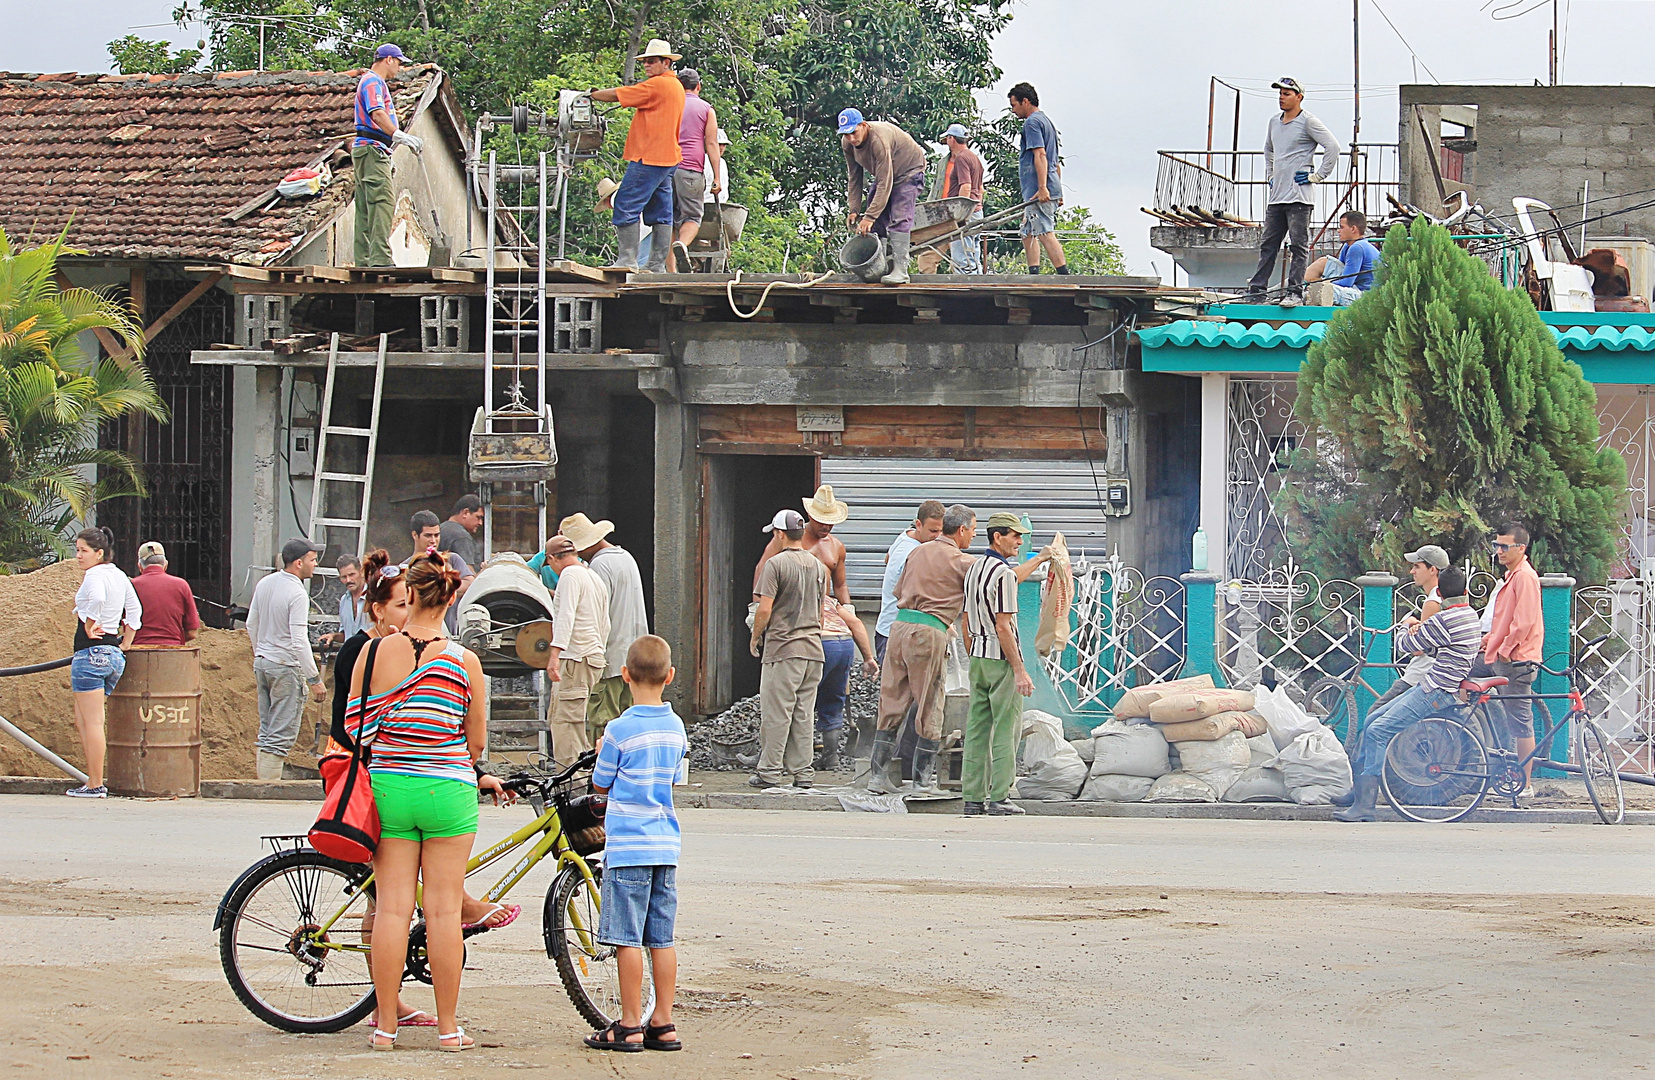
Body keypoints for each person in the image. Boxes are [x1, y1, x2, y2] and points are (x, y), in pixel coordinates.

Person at [328, 550, 518, 1032]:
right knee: (443, 911)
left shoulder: (372, 653)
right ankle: (450, 1028)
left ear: (408, 594)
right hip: (449, 791)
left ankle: (386, 1026)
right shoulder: (465, 661)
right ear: (451, 597)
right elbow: (476, 741)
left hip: (390, 788)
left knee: (392, 909)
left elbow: (354, 728)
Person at [582, 634, 687, 1053]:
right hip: (666, 847)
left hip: (627, 848)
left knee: (626, 938)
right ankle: (663, 1020)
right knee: (661, 938)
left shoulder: (618, 729)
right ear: (670, 676)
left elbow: (600, 783)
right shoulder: (676, 726)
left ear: (625, 675)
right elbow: (675, 779)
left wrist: (601, 750)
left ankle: (628, 1024)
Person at [1337, 568, 1483, 822]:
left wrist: (1408, 625)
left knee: (1378, 730)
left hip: (1436, 690)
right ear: (1466, 593)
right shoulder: (1470, 615)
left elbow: (1405, 647)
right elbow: (1438, 647)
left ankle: (1366, 806)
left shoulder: (1444, 620)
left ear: (1439, 593)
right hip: (1436, 684)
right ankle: (1358, 791)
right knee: (1372, 721)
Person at [961, 513, 1047, 817]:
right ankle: (999, 797)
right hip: (1001, 659)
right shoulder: (1003, 575)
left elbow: (966, 617)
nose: (1020, 542)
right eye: (1015, 536)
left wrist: (971, 650)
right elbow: (1004, 626)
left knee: (976, 729)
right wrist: (1020, 670)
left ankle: (972, 797)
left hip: (979, 659)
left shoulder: (974, 569)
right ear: (998, 537)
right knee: (1005, 730)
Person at [590, 40, 688, 273]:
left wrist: (591, 95)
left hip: (650, 156)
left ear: (666, 62)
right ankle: (656, 265)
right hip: (668, 157)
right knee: (661, 211)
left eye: (652, 61)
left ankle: (627, 260)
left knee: (625, 203)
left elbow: (618, 95)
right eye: (645, 61)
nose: (647, 65)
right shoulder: (675, 86)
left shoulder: (657, 85)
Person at [1244, 77, 1342, 308]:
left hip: (1299, 197)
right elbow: (1268, 149)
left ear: (1299, 97)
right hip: (1277, 196)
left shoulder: (1308, 121)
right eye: (1280, 93)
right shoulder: (1274, 122)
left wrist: (1317, 176)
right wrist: (1270, 174)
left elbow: (1333, 147)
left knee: (1298, 246)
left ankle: (1295, 292)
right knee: (1269, 244)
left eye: (1287, 93)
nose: (1282, 97)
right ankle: (1257, 291)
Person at [749, 510, 829, 789]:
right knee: (804, 714)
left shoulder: (775, 564)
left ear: (781, 534)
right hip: (813, 651)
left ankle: (769, 772)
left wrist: (756, 637)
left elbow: (765, 608)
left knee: (777, 713)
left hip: (784, 649)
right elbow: (820, 612)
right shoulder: (818, 566)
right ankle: (803, 773)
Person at [558, 513, 650, 743]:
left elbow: (592, 611)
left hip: (609, 656)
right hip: (633, 654)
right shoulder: (625, 557)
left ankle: (602, 772)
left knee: (603, 722)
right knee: (627, 719)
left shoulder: (599, 565)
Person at [65, 527, 141, 798]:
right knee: (85, 720)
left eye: (83, 551)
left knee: (93, 722)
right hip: (112, 655)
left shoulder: (94, 575)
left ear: (99, 553)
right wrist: (127, 640)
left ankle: (96, 783)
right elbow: (135, 609)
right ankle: (91, 779)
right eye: (77, 550)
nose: (78, 556)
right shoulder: (119, 575)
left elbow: (96, 598)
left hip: (90, 655)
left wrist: (89, 622)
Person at [245, 538, 327, 781]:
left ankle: (263, 780)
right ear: (299, 563)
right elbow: (299, 640)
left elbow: (251, 624)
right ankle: (267, 788)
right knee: (280, 734)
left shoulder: (265, 583)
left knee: (267, 729)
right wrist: (314, 678)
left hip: (263, 662)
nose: (315, 565)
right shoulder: (297, 593)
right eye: (312, 560)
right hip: (285, 667)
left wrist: (260, 652)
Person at [1472, 524, 1545, 788]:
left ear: (1521, 548)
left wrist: (1503, 651)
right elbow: (1505, 621)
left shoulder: (1525, 577)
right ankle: (1469, 740)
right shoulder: (1512, 576)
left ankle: (1524, 785)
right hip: (1503, 656)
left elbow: (1523, 623)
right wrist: (1489, 640)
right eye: (1497, 546)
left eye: (1505, 546)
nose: (1499, 551)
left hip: (1516, 661)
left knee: (1521, 724)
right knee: (1462, 671)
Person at [838, 108, 927, 285]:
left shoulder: (879, 140)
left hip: (909, 171)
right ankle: (883, 266)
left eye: (854, 132)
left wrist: (869, 216)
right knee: (875, 219)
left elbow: (886, 182)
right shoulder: (847, 143)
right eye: (846, 134)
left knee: (899, 216)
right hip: (886, 174)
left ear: (863, 126)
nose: (851, 139)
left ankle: (901, 270)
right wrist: (854, 209)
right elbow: (854, 176)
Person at [352, 44, 422, 268]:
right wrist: (398, 135)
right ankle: (380, 258)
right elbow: (378, 113)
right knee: (382, 202)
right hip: (373, 148)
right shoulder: (373, 81)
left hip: (369, 149)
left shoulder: (368, 80)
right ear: (388, 59)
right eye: (399, 63)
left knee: (366, 206)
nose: (400, 68)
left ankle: (363, 258)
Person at [544, 534, 611, 763]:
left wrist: (554, 654)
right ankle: (582, 779)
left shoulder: (570, 575)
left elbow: (565, 617)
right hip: (592, 656)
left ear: (553, 559)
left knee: (566, 724)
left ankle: (573, 787)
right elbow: (605, 623)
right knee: (574, 722)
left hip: (575, 658)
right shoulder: (593, 576)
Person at [1006, 83, 1068, 275]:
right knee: (1028, 230)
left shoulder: (1032, 123)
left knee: (1044, 231)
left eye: (1014, 106)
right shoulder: (1047, 122)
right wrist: (1058, 188)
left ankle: (1064, 275)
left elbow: (1040, 155)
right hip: (1047, 184)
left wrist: (1043, 187)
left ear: (1025, 101)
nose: (1014, 111)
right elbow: (1055, 160)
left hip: (1039, 187)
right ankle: (1034, 273)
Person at [668, 69, 721, 272]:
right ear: (698, 86)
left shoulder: (670, 105)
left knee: (668, 219)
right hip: (690, 169)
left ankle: (671, 271)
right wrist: (716, 177)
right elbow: (711, 143)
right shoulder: (706, 109)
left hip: (666, 169)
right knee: (692, 217)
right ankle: (683, 244)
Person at [406, 510, 471, 634]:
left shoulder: (453, 559)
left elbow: (470, 585)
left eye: (436, 535)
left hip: (451, 634)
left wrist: (444, 582)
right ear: (415, 535)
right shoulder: (406, 567)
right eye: (428, 536)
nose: (433, 541)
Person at [129, 541, 199, 648]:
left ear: (140, 566)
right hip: (173, 652)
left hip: (137, 653)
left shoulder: (130, 586)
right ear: (165, 564)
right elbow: (192, 633)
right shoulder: (181, 585)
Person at [1305, 210, 1381, 307]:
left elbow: (1346, 282)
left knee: (1324, 290)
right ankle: (1296, 287)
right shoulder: (1348, 246)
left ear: (1353, 229)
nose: (1338, 230)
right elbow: (1341, 274)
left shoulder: (1357, 247)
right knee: (1323, 262)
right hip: (1353, 286)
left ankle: (1298, 291)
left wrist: (1322, 282)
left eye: (1341, 227)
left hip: (1365, 295)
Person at [940, 123, 985, 274]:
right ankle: (978, 284)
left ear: (952, 139)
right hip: (977, 210)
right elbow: (980, 188)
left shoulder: (961, 159)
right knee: (973, 252)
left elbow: (966, 186)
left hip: (967, 213)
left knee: (962, 257)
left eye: (947, 138)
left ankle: (967, 291)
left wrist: (961, 215)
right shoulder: (974, 158)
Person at [323, 554, 366, 647]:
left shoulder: (375, 597)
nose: (348, 580)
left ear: (361, 572)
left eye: (352, 575)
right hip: (350, 657)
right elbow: (346, 635)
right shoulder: (344, 601)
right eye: (344, 577)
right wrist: (333, 636)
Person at [439, 495, 484, 575]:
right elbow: (468, 574)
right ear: (465, 513)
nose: (480, 523)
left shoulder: (440, 528)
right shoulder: (462, 537)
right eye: (478, 517)